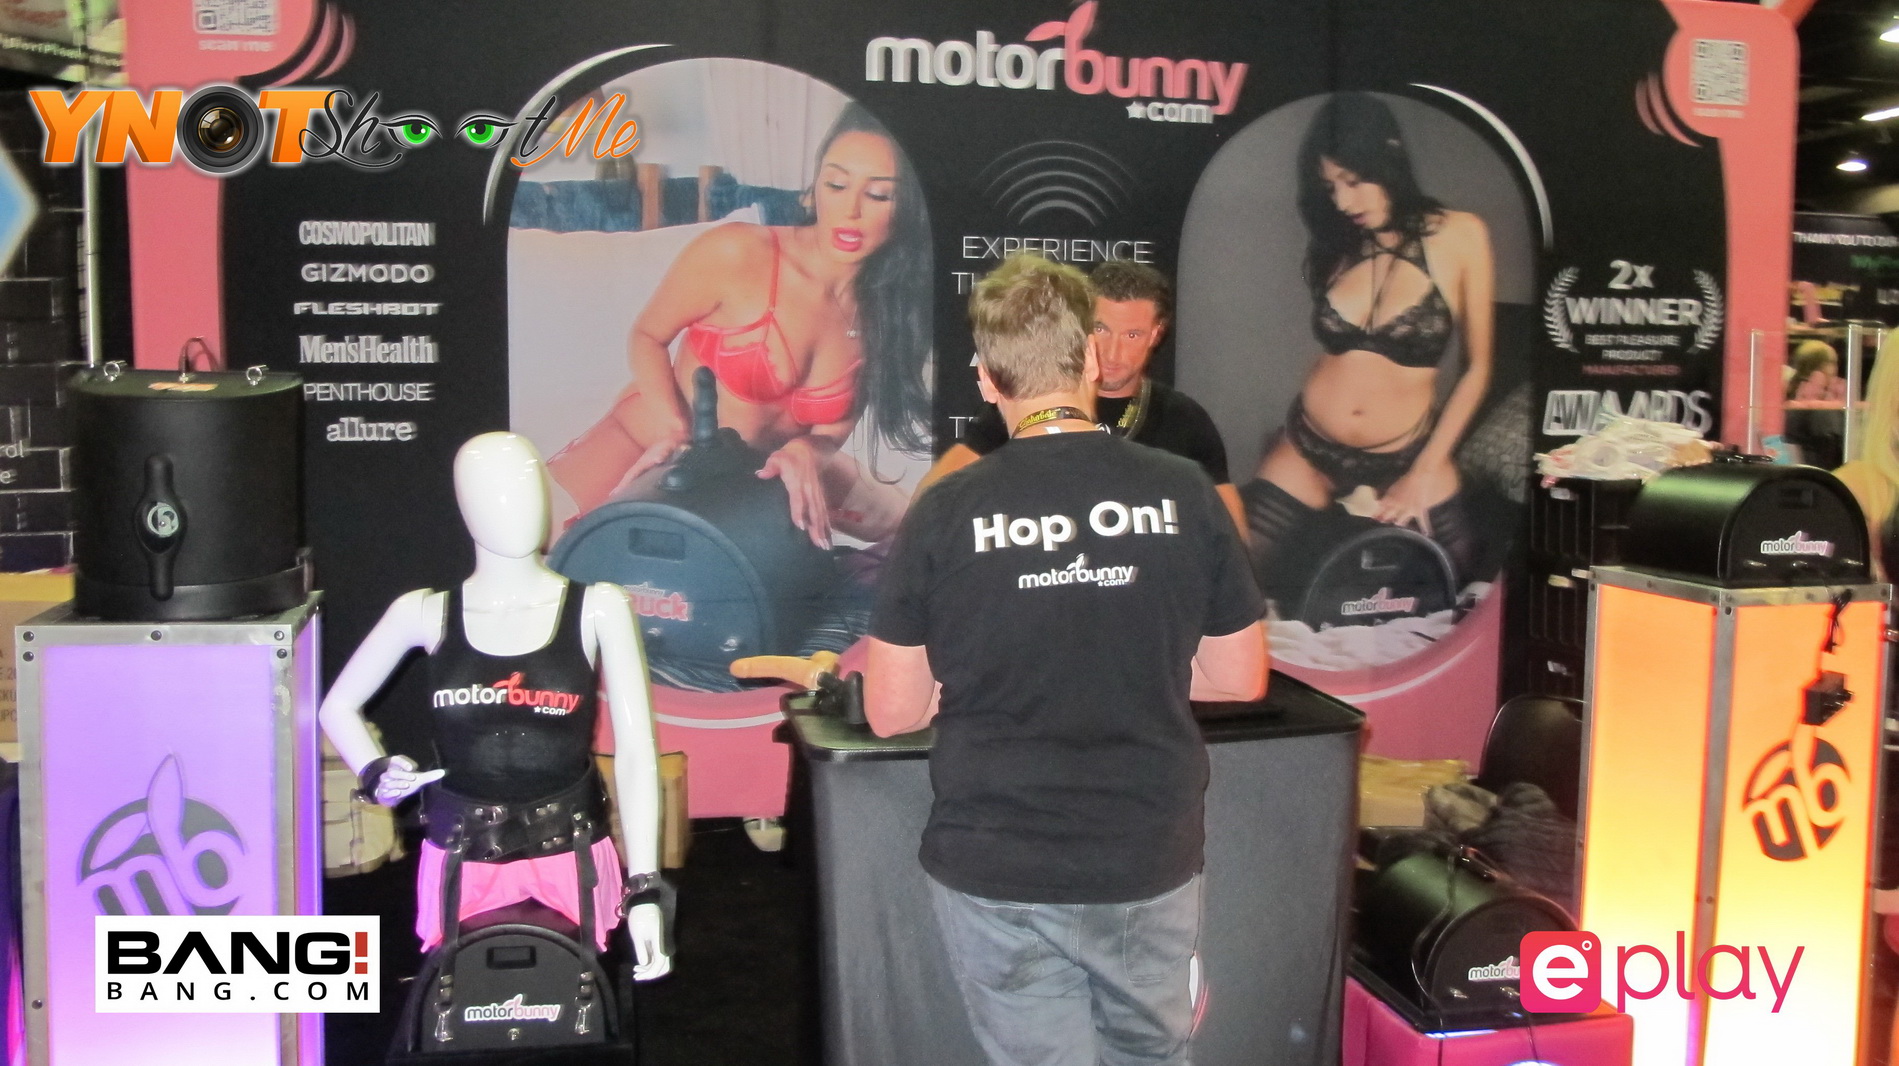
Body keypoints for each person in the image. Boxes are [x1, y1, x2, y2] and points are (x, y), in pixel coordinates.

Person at [865, 252, 1270, 1066]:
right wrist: (1141, 663)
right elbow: (1238, 676)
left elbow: (890, 712)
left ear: (986, 379)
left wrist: (973, 676)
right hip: (1143, 851)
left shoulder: (944, 509)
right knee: (1151, 1054)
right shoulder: (1183, 489)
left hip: (997, 857)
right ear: (1087, 357)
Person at [318, 432, 670, 980]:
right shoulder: (423, 613)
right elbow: (337, 707)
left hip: (570, 851)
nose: (517, 503)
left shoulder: (599, 607)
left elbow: (637, 754)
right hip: (462, 855)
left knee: (572, 996)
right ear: (464, 504)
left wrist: (645, 886)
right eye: (494, 489)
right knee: (468, 996)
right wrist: (374, 770)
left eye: (528, 484)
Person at [548, 102, 932, 549]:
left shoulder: (890, 310)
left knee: (920, 535)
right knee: (537, 540)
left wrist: (809, 450)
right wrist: (678, 432)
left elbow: (832, 428)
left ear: (907, 208)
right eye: (837, 184)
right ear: (815, 188)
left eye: (879, 195)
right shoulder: (737, 254)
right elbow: (647, 337)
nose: (851, 210)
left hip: (763, 472)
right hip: (654, 441)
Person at [1240, 92, 1493, 583]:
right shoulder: (1342, 245)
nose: (1342, 201)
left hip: (1408, 451)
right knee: (1238, 567)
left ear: (1389, 154)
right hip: (1311, 445)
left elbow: (1479, 368)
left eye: (1353, 181)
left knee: (1460, 575)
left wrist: (1425, 470)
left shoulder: (1461, 235)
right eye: (1330, 186)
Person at [923, 259, 1247, 536]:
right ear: (1081, 326)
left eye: (1132, 334)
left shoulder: (1185, 420)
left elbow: (1232, 540)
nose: (1113, 352)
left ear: (1156, 333)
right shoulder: (1031, 403)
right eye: (1102, 329)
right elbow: (932, 499)